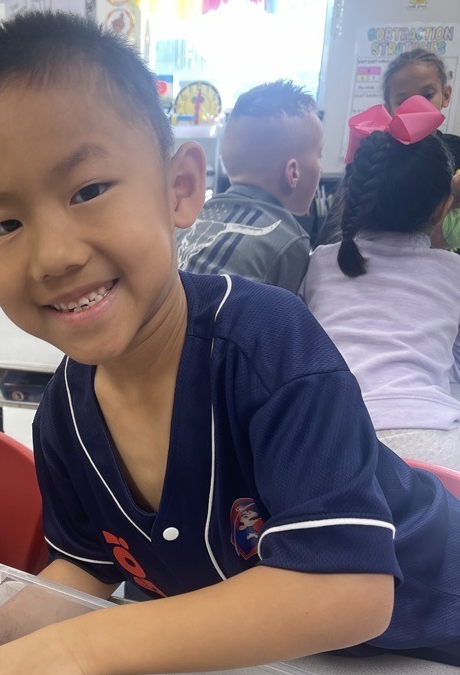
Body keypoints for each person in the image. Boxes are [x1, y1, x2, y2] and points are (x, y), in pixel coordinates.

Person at [0, 11, 460, 675]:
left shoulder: (269, 345)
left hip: (428, 659)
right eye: (5, 225)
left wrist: (86, 648)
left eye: (88, 189)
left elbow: (353, 592)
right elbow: (85, 568)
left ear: (182, 188)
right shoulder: (64, 416)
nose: (52, 255)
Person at [301, 99, 460, 469]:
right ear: (442, 209)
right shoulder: (453, 271)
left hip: (327, 435)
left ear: (350, 199)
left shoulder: (321, 263)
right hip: (431, 442)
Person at [176, 80, 321, 293]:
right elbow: (288, 318)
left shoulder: (192, 216)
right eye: (319, 154)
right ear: (293, 173)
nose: (321, 165)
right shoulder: (291, 241)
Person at [318, 48, 460, 249]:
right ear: (388, 106)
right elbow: (334, 234)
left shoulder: (457, 151)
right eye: (403, 100)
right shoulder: (373, 152)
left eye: (427, 95)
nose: (417, 107)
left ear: (446, 95)